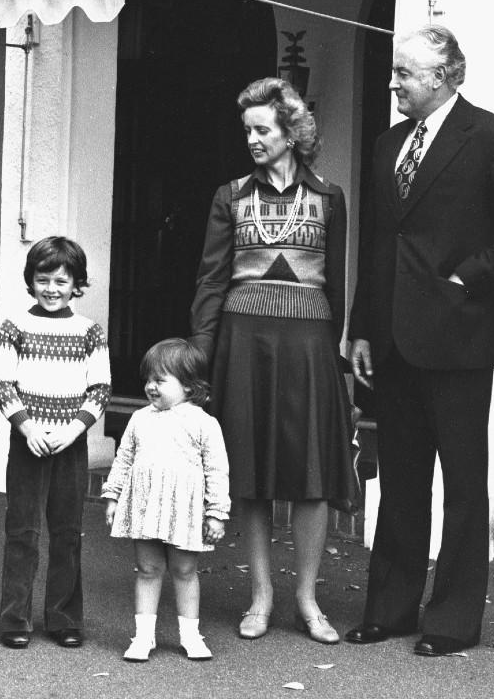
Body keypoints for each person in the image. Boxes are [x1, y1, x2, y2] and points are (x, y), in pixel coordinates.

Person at [345, 25, 494, 657]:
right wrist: (361, 329)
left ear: (441, 76)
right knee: (401, 482)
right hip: (394, 342)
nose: (392, 82)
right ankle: (390, 609)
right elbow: (379, 243)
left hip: (459, 340)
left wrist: (466, 278)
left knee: (463, 488)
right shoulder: (387, 146)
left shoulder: (492, 138)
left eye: (403, 73)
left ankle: (453, 621)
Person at [191, 77, 359, 645]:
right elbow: (211, 281)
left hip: (310, 347)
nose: (253, 139)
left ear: (292, 132)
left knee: (310, 476)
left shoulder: (331, 197)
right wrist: (200, 357)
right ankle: (261, 596)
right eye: (248, 131)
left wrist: (340, 353)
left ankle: (308, 600)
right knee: (252, 474)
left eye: (263, 129)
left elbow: (336, 284)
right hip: (244, 345)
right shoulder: (229, 195)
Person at [0, 236, 111, 650]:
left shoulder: (88, 332)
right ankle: (14, 618)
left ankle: (63, 617)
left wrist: (71, 430)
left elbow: (100, 389)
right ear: (31, 280)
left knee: (67, 531)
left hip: (69, 444)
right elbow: (3, 383)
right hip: (28, 441)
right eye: (43, 279)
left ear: (76, 283)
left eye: (62, 280)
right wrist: (27, 428)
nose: (52, 288)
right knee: (22, 530)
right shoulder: (14, 328)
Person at [102, 338, 231, 662]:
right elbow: (123, 459)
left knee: (185, 570)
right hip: (145, 507)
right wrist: (113, 496)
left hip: (184, 511)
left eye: (160, 380)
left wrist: (216, 513)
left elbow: (217, 470)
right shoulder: (140, 418)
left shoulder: (204, 423)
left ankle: (191, 636)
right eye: (148, 379)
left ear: (189, 386)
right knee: (147, 568)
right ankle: (143, 637)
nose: (150, 387)